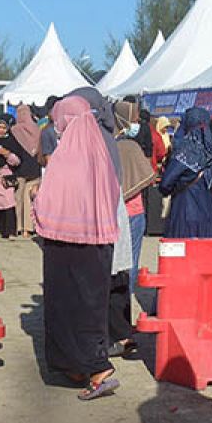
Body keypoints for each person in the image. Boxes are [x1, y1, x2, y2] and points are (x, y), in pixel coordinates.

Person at [33, 95, 121, 400]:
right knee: (91, 304)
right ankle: (80, 366)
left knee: (68, 306)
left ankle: (97, 369)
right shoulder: (100, 150)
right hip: (98, 243)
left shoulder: (67, 155)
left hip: (65, 245)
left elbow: (49, 201)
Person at [67, 87, 135, 357]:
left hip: (97, 213)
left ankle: (106, 339)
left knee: (100, 280)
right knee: (115, 278)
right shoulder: (106, 135)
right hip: (111, 210)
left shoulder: (89, 136)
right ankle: (121, 334)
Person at [114, 100, 157, 294]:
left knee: (115, 261)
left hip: (113, 211)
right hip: (135, 211)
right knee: (132, 258)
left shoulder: (106, 146)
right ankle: (127, 298)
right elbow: (147, 174)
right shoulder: (131, 146)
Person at [159, 107, 212, 239]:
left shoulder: (185, 150)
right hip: (207, 210)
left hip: (184, 210)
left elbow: (165, 183)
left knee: (183, 253)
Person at [9, 105, 43, 237]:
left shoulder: (14, 130)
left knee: (18, 199)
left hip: (19, 169)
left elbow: (12, 149)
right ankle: (27, 229)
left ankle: (18, 226)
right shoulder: (37, 129)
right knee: (29, 200)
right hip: (34, 168)